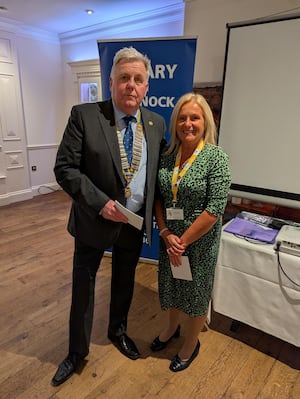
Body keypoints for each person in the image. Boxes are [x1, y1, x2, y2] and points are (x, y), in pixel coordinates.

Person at [51, 47, 166, 386]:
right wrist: (101, 203)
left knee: (125, 282)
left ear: (147, 87)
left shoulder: (156, 124)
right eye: (125, 78)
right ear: (112, 82)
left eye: (139, 80)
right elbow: (65, 168)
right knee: (83, 287)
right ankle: (76, 351)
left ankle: (118, 331)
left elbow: (157, 173)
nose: (131, 85)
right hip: (94, 219)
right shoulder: (84, 115)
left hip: (133, 224)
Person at [150, 92, 231, 372]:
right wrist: (164, 233)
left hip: (199, 243)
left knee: (196, 293)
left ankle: (190, 343)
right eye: (182, 118)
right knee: (172, 286)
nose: (188, 124)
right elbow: (159, 198)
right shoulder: (167, 155)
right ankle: (171, 328)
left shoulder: (216, 157)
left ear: (205, 121)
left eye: (194, 117)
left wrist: (181, 242)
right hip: (170, 239)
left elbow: (215, 208)